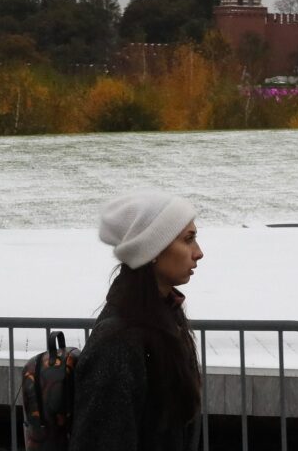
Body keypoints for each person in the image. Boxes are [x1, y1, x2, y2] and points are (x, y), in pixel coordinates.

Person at [69, 190, 205, 451]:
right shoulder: (117, 343)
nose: (199, 253)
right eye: (188, 239)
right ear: (152, 250)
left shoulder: (164, 318)